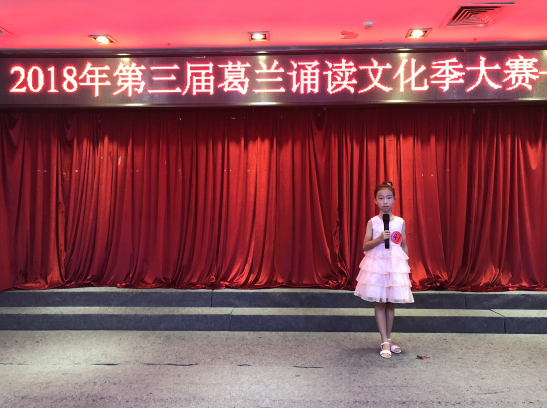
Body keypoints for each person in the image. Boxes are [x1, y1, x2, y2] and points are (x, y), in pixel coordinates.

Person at [354, 181, 414, 359]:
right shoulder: (373, 222)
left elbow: (403, 245)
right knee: (380, 302)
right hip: (378, 266)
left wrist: (405, 267)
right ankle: (384, 341)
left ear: (394, 200)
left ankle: (388, 339)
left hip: (394, 266)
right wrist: (379, 239)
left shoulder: (400, 222)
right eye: (381, 198)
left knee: (390, 303)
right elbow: (365, 246)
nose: (385, 201)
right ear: (375, 200)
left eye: (388, 198)